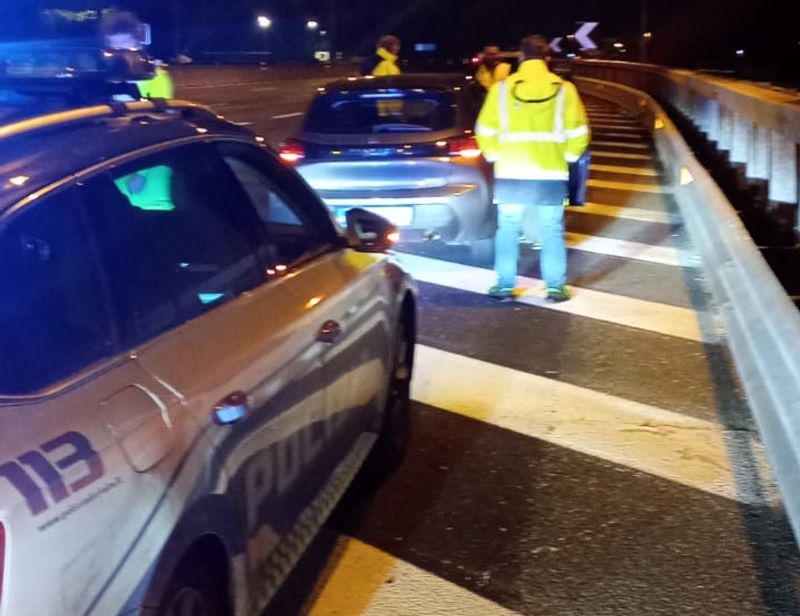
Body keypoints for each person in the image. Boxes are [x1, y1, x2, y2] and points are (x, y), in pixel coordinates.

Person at [475, 35, 589, 302]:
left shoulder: (500, 90)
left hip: (511, 173)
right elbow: (580, 132)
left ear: (521, 57)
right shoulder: (565, 90)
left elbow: (485, 131)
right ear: (547, 58)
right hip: (550, 173)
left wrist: (494, 156)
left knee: (508, 228)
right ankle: (555, 287)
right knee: (551, 230)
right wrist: (568, 157)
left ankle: (504, 285)